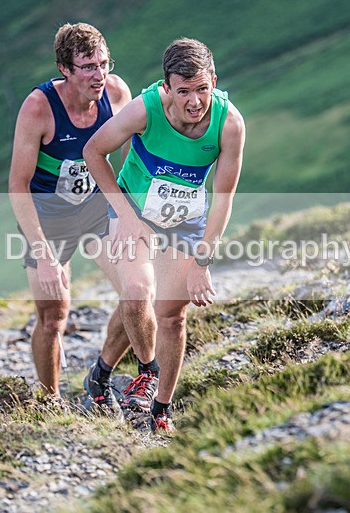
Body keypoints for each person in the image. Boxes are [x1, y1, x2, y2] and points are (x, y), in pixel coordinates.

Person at [83, 38, 246, 433]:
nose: (194, 101)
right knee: (138, 292)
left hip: (185, 224)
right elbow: (93, 152)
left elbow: (223, 200)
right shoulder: (145, 109)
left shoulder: (229, 124)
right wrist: (127, 217)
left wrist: (202, 263)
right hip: (131, 211)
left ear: (214, 81)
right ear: (167, 88)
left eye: (202, 89)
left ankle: (156, 409)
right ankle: (147, 371)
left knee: (170, 318)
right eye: (184, 91)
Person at [8, 23, 132, 416]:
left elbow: (131, 156)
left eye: (104, 63)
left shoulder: (116, 92)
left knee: (137, 294)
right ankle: (50, 402)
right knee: (52, 317)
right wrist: (44, 255)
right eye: (87, 67)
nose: (99, 75)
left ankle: (101, 373)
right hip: (48, 214)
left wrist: (130, 213)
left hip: (95, 206)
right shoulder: (39, 107)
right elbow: (17, 184)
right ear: (65, 68)